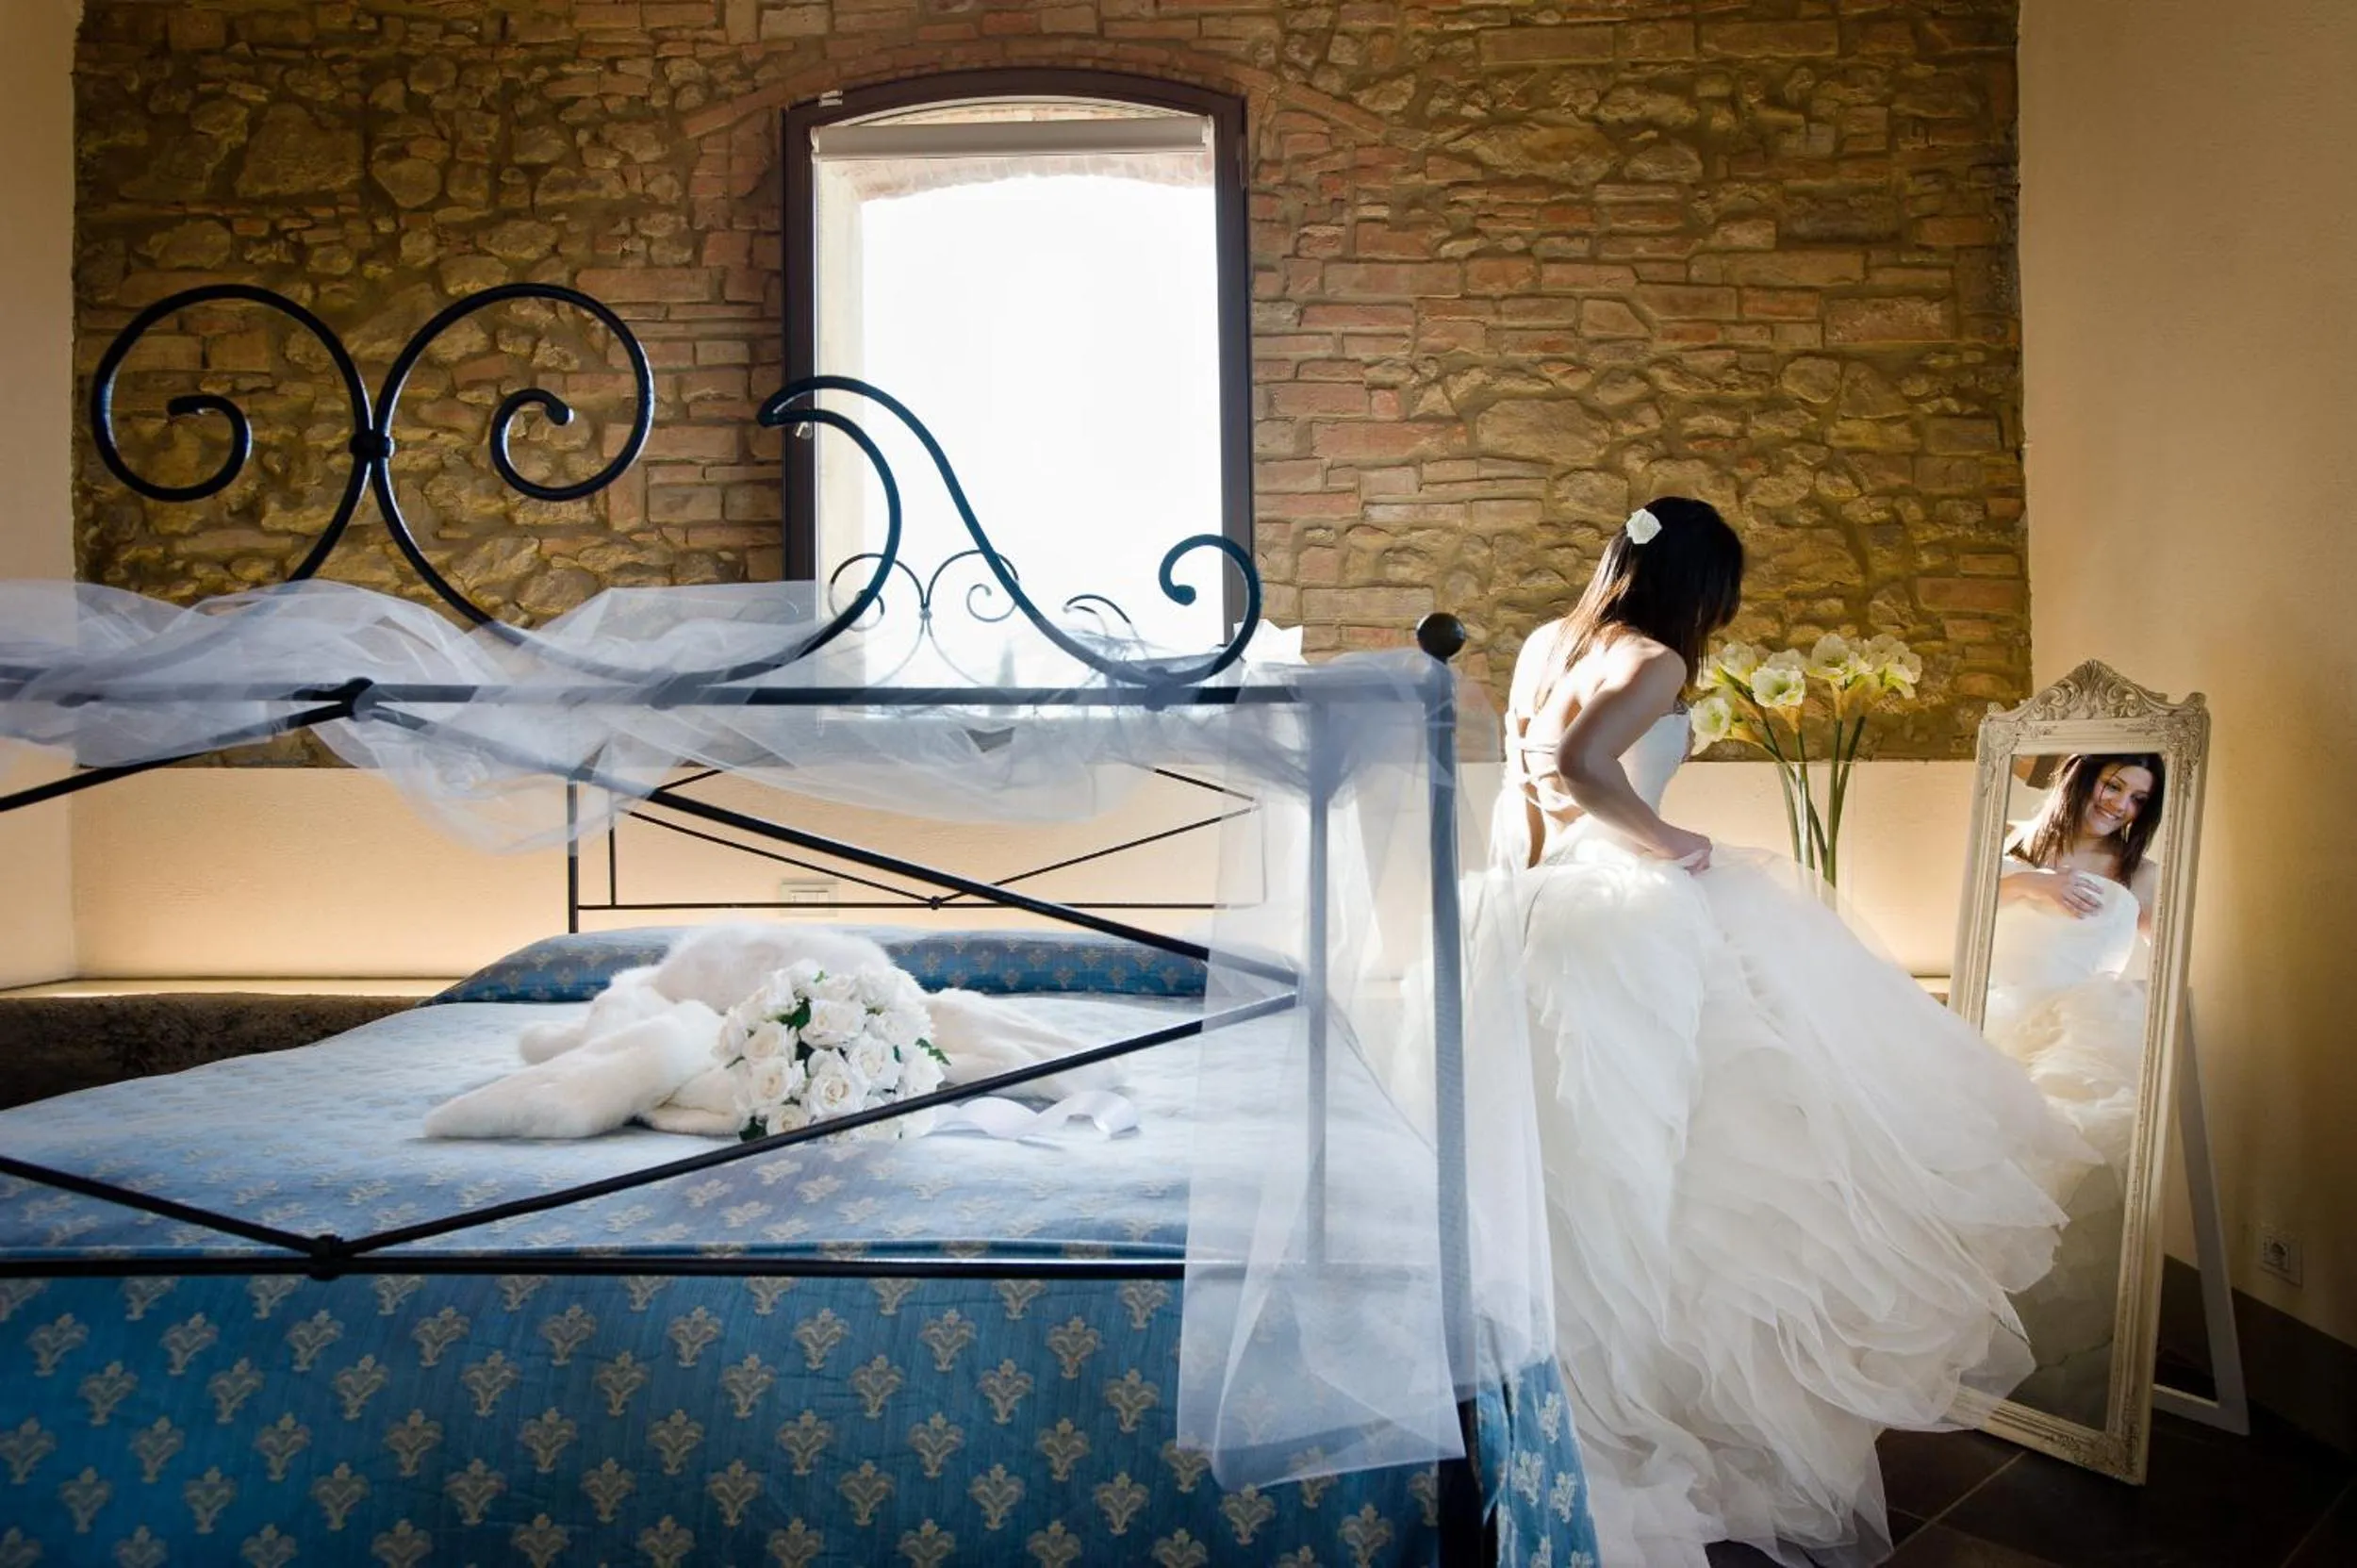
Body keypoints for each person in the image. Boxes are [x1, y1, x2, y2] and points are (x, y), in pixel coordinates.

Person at [1485, 498, 2090, 1567]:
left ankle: (1572, 1401)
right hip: (1626, 915)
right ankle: (1657, 1402)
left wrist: (1527, 888)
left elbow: (1528, 785)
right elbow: (1578, 766)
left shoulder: (1549, 644)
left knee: (1580, 1169)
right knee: (1692, 1162)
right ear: (1701, 587)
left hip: (1541, 907)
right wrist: (1668, 838)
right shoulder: (1655, 661)